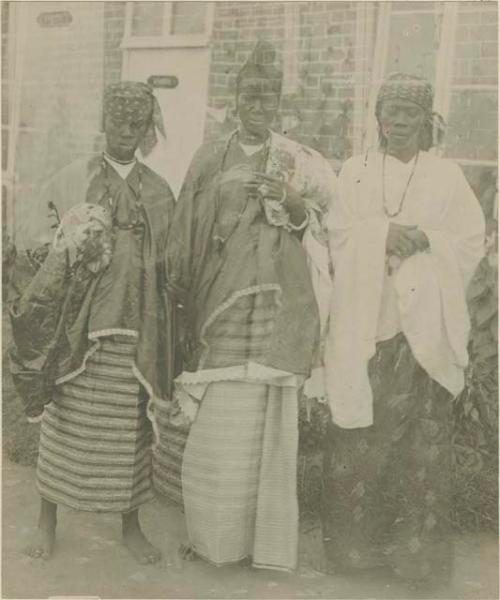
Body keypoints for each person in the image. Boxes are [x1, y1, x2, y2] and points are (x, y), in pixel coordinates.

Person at [165, 40, 335, 572]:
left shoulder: (300, 159)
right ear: (234, 101)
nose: (259, 109)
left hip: (277, 312)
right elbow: (185, 234)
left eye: (270, 101)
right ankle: (214, 540)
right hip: (218, 306)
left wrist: (294, 203)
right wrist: (182, 292)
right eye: (250, 99)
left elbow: (332, 224)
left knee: (266, 427)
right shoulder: (208, 157)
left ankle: (263, 546)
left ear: (279, 104)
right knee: (218, 428)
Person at [321, 73, 485, 586]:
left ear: (426, 120)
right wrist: (383, 234)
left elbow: (469, 240)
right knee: (362, 439)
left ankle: (418, 563)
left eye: (408, 114)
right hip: (370, 324)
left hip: (424, 331)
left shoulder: (446, 176)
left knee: (421, 446)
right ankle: (356, 557)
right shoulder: (355, 170)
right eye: (389, 113)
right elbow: (336, 231)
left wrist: (425, 240)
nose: (398, 124)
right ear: (378, 119)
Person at [9, 82, 176, 564]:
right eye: (117, 121)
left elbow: (170, 262)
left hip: (135, 327)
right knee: (67, 418)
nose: (125, 132)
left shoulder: (160, 191)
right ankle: (47, 519)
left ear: (148, 130)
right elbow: (35, 246)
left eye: (136, 123)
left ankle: (131, 524)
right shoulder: (71, 180)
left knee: (128, 424)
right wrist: (67, 247)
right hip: (78, 327)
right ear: (103, 122)